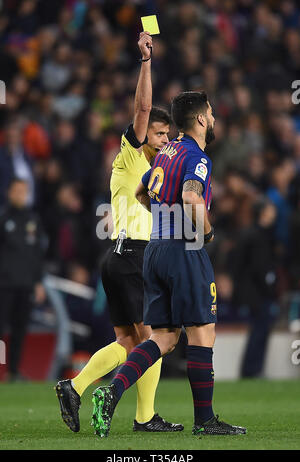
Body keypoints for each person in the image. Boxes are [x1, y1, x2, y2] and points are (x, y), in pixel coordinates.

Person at [91, 91, 247, 438]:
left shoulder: (166, 154)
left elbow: (142, 194)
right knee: (203, 332)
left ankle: (112, 391)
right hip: (184, 249)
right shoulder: (196, 157)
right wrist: (206, 231)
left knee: (163, 337)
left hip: (156, 250)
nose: (215, 118)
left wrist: (165, 220)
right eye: (211, 113)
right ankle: (205, 421)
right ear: (202, 119)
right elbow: (192, 197)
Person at [55, 32, 183, 434]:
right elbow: (143, 105)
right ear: (147, 135)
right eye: (160, 134)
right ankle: (143, 418)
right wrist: (146, 60)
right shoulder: (131, 151)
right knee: (154, 342)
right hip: (132, 258)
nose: (164, 140)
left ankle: (73, 386)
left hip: (119, 257)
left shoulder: (150, 171)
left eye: (167, 135)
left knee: (130, 344)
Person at [0, 178, 46, 382]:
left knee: (20, 329)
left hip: (26, 284)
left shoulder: (33, 219)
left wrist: (38, 282)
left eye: (24, 191)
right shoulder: (3, 218)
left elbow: (37, 254)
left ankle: (14, 371)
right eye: (17, 191)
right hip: (4, 284)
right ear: (9, 193)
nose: (21, 195)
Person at [231, 198, 278, 378]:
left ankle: (253, 369)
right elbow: (259, 267)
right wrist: (269, 284)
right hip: (257, 292)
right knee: (259, 330)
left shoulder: (252, 233)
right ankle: (251, 370)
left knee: (260, 330)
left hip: (254, 290)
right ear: (263, 213)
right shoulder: (257, 236)